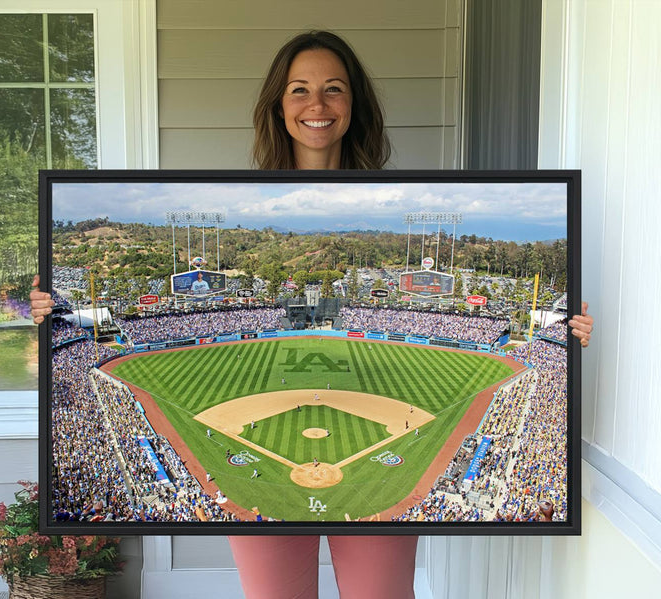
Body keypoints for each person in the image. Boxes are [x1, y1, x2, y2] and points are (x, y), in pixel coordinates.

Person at [29, 29, 594, 599]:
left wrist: (566, 333)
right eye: (299, 89)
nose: (316, 105)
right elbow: (49, 330)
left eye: (334, 89)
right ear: (279, 104)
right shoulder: (237, 193)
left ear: (354, 105)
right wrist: (50, 312)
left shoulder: (397, 194)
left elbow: (559, 329)